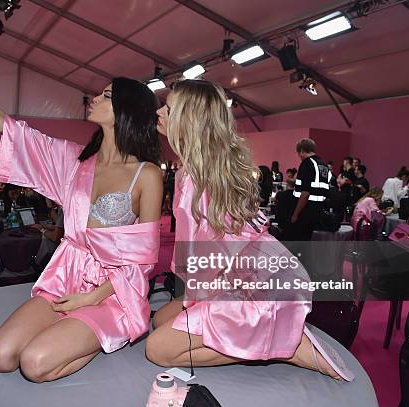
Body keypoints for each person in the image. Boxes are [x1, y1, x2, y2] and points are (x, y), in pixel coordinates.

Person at [0, 40, 163, 382]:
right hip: (65, 278)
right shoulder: (74, 161)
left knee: (34, 364)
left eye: (107, 95)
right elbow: (10, 129)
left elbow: (144, 259)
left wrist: (91, 298)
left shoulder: (147, 174)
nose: (96, 97)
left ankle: (103, 335)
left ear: (127, 111)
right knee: (1, 356)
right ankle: (72, 334)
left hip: (111, 291)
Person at [148, 79, 352, 381]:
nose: (160, 112)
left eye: (169, 107)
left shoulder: (198, 177)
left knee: (158, 349)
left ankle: (283, 345)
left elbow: (212, 256)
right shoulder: (199, 170)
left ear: (189, 120)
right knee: (163, 318)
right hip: (252, 278)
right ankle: (273, 334)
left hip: (257, 288)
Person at [285, 139, 332, 241]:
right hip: (318, 209)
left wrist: (295, 214)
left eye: (299, 154)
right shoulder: (323, 165)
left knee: (298, 242)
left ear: (302, 150)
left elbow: (305, 193)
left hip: (305, 210)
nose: (299, 157)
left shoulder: (307, 163)